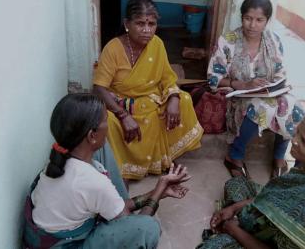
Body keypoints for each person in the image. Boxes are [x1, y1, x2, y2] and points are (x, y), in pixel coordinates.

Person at [22, 93, 192, 248]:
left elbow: (113, 204)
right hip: (64, 244)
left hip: (46, 233)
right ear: (92, 135)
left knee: (103, 150)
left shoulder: (59, 159)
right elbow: (134, 226)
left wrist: (156, 191)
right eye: (106, 120)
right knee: (149, 228)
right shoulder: (92, 182)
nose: (109, 125)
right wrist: (158, 192)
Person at [198, 108, 305, 249]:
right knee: (236, 184)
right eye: (297, 132)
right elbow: (280, 195)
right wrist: (235, 207)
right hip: (276, 224)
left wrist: (233, 229)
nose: (294, 141)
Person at [93, 0, 203, 180]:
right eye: (140, 24)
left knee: (183, 99)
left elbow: (167, 77)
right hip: (121, 104)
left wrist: (174, 98)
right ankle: (125, 167)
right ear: (127, 24)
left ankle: (163, 158)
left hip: (150, 100)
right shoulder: (113, 48)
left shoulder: (157, 44)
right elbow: (99, 88)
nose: (146, 30)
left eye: (151, 24)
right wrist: (122, 114)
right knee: (107, 121)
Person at [207, 0, 304, 178]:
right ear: (241, 17)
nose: (252, 25)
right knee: (259, 107)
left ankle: (279, 158)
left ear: (267, 21)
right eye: (248, 18)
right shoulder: (227, 40)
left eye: (259, 20)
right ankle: (235, 155)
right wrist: (241, 84)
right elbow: (213, 79)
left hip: (269, 93)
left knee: (293, 107)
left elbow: (280, 73)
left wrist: (272, 85)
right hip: (238, 96)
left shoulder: (273, 40)